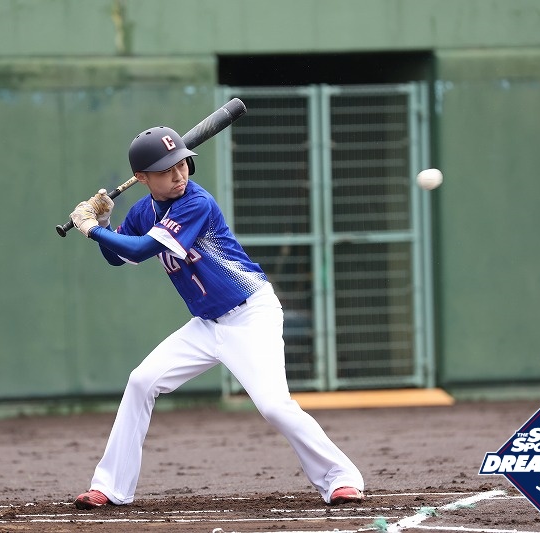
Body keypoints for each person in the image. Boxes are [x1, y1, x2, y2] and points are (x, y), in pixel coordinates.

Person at [69, 126, 365, 509]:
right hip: (207, 324)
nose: (178, 174)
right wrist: (107, 226)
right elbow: (118, 256)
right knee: (141, 381)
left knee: (274, 406)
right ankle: (110, 488)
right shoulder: (144, 211)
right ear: (141, 177)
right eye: (165, 170)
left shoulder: (196, 202)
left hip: (251, 314)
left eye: (181, 164)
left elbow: (141, 249)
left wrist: (91, 229)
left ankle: (341, 478)